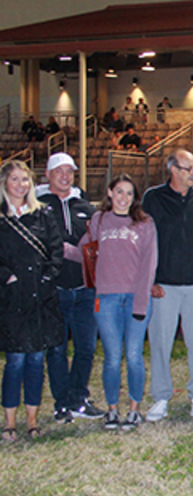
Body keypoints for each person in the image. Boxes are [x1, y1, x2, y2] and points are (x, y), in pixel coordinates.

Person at [68, 174, 157, 431]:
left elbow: (149, 265)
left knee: (133, 356)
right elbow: (83, 252)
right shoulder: (99, 220)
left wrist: (141, 302)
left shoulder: (145, 223)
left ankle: (134, 409)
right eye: (119, 192)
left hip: (135, 298)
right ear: (109, 193)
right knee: (111, 357)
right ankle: (112, 410)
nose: (124, 198)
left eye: (129, 193)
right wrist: (58, 248)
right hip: (106, 298)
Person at [142, 149, 193, 422]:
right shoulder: (153, 198)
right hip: (164, 287)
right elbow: (145, 239)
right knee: (160, 343)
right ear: (173, 169)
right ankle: (160, 397)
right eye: (189, 168)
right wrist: (150, 279)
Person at [36, 152, 104, 422]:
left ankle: (79, 398)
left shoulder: (85, 206)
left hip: (84, 289)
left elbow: (94, 244)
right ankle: (61, 403)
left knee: (86, 348)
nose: (65, 176)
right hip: (54, 290)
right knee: (57, 350)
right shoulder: (38, 205)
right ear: (49, 175)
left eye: (69, 172)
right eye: (59, 171)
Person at [0, 160, 64, 442]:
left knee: (37, 361)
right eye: (14, 179)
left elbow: (56, 252)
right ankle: (9, 422)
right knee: (14, 362)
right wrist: (8, 278)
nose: (20, 185)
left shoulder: (43, 214)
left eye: (24, 179)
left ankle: (33, 420)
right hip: (12, 298)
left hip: (41, 298)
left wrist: (47, 279)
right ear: (4, 183)